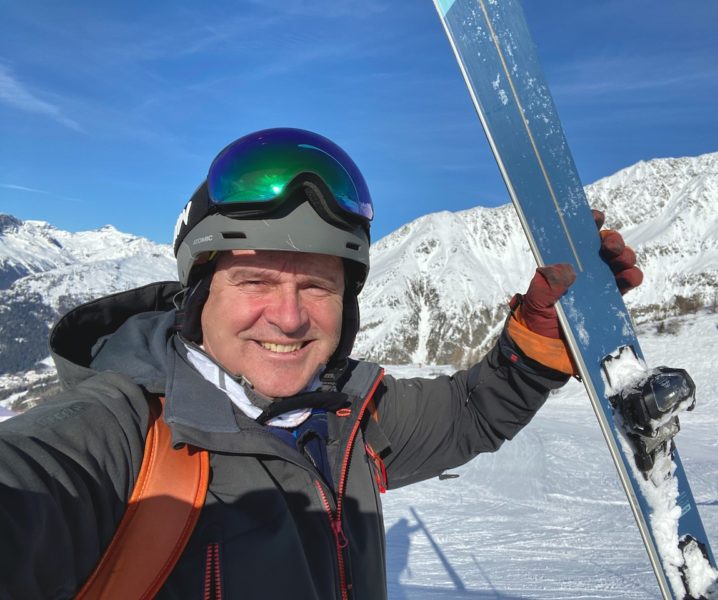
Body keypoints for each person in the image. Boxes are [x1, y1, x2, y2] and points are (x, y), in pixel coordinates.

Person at [0, 128, 642, 599]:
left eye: (317, 286)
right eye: (254, 281)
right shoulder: (116, 437)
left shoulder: (348, 416)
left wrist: (533, 345)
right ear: (199, 298)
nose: (288, 317)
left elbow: (469, 414)